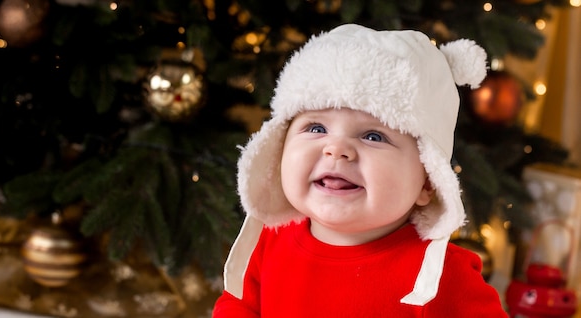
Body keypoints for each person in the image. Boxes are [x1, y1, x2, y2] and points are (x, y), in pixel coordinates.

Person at [212, 24, 508, 317]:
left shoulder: (443, 276)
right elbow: (239, 304)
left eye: (373, 136)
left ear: (428, 181)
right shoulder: (271, 238)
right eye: (316, 127)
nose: (336, 148)